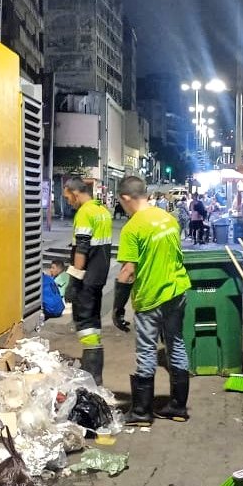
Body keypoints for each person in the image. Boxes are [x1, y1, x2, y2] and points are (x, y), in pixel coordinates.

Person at [112, 175, 192, 425]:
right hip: (177, 291)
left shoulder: (134, 227)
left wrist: (117, 307)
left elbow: (128, 271)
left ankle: (141, 412)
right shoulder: (168, 219)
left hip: (152, 296)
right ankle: (178, 406)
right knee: (176, 344)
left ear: (126, 198)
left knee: (146, 350)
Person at [62, 178, 113, 385]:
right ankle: (94, 373)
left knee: (84, 323)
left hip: (86, 279)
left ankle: (93, 376)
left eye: (67, 197)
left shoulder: (84, 213)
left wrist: (73, 281)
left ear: (75, 193)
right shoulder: (102, 211)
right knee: (93, 323)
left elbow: (82, 248)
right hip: (98, 277)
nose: (68, 202)